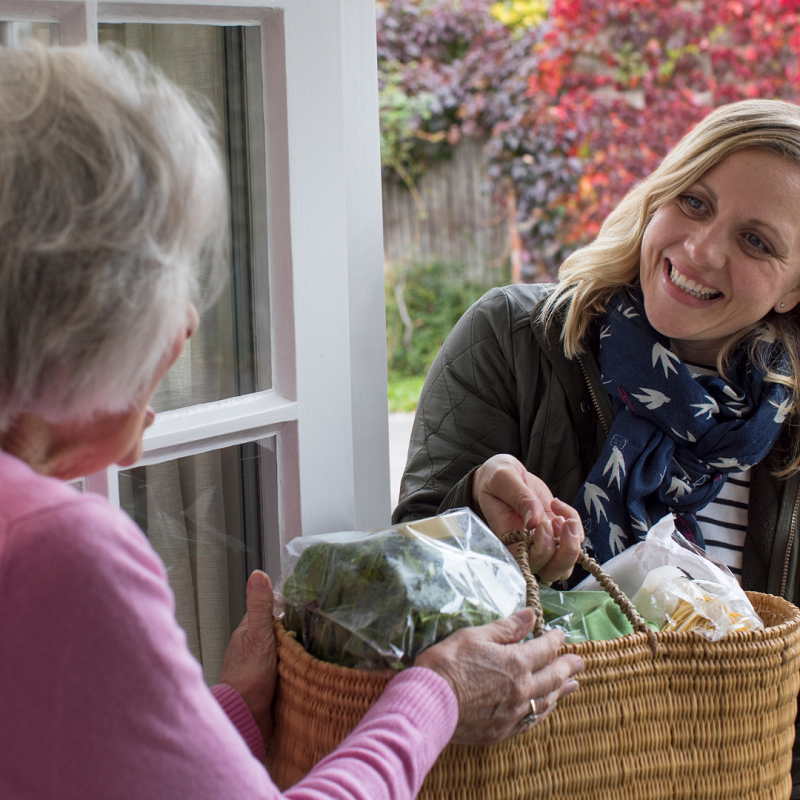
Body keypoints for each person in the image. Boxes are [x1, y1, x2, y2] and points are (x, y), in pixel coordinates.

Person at [0, 44, 584, 800]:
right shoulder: (55, 553)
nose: (187, 323)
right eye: (177, 272)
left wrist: (230, 713)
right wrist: (436, 692)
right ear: (88, 310)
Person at [394, 97, 800, 793]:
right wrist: (480, 518)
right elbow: (403, 588)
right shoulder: (513, 340)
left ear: (795, 288)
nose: (701, 250)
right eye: (695, 202)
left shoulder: (789, 426)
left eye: (757, 242)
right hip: (535, 775)